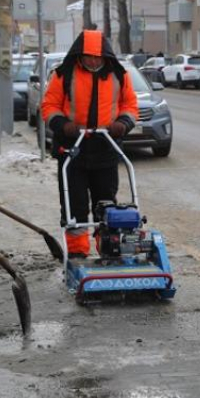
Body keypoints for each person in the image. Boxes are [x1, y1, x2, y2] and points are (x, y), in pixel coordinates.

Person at [41, 30, 139, 258]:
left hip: (105, 148)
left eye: (97, 56)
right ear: (79, 54)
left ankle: (109, 249)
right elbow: (49, 105)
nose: (93, 60)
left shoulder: (118, 74)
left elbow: (130, 105)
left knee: (106, 204)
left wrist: (123, 123)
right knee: (74, 205)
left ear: (105, 55)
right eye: (88, 56)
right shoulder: (63, 74)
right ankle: (76, 255)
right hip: (72, 149)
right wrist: (63, 125)